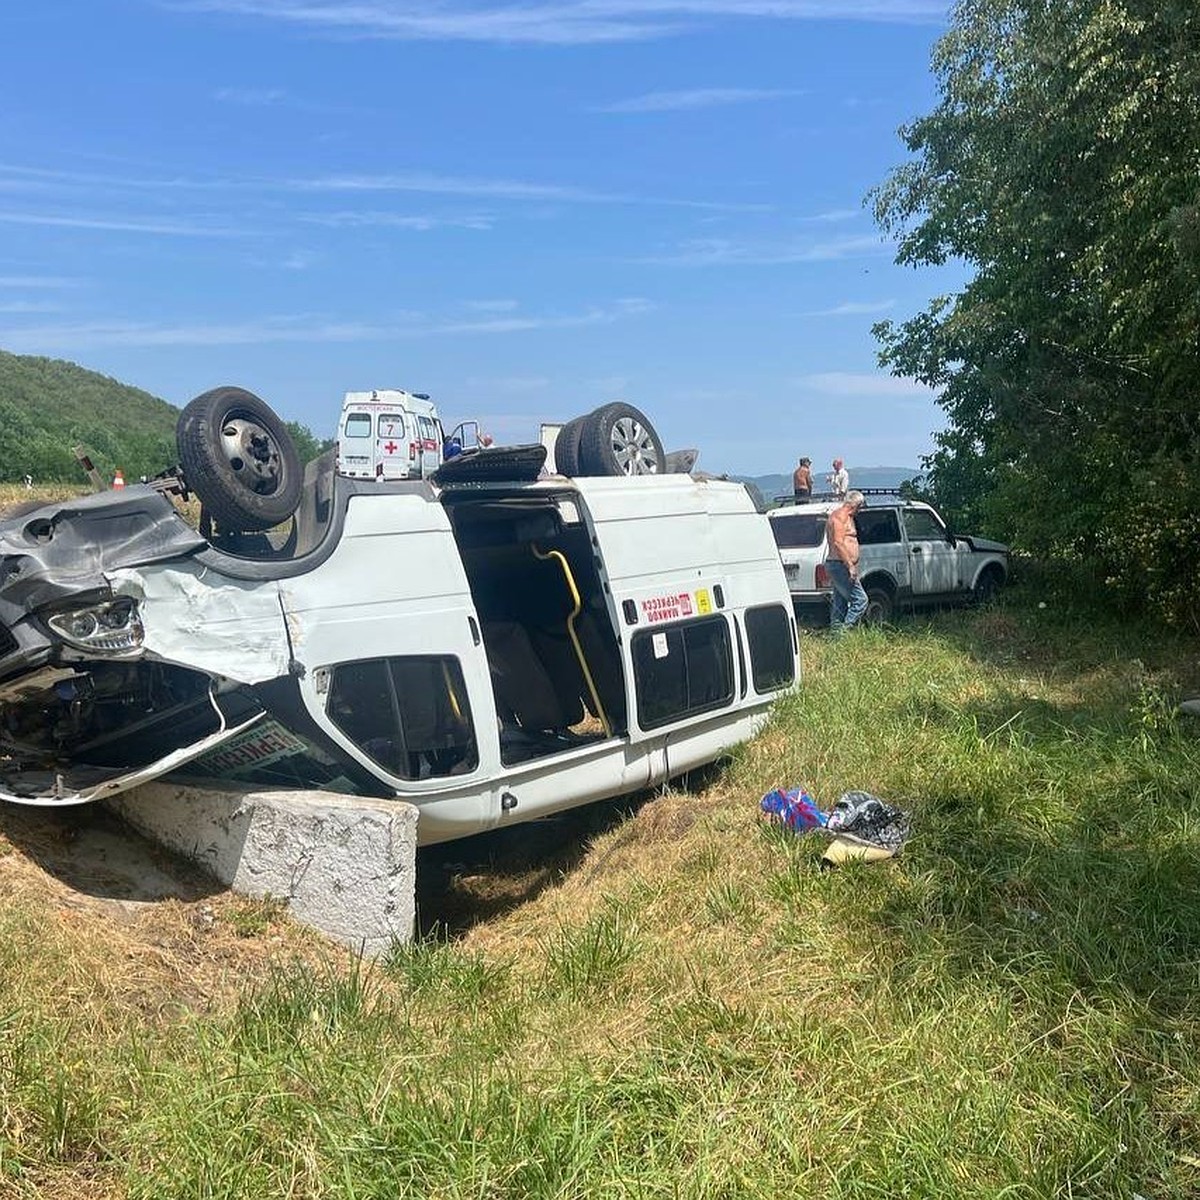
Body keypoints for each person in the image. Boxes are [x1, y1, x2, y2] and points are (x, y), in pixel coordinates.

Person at [824, 490, 868, 634]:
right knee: (861, 600)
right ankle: (844, 633)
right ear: (856, 504)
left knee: (840, 603)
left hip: (839, 564)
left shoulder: (847, 517)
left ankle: (835, 638)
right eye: (860, 507)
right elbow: (838, 543)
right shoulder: (840, 517)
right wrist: (850, 565)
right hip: (840, 564)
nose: (860, 510)